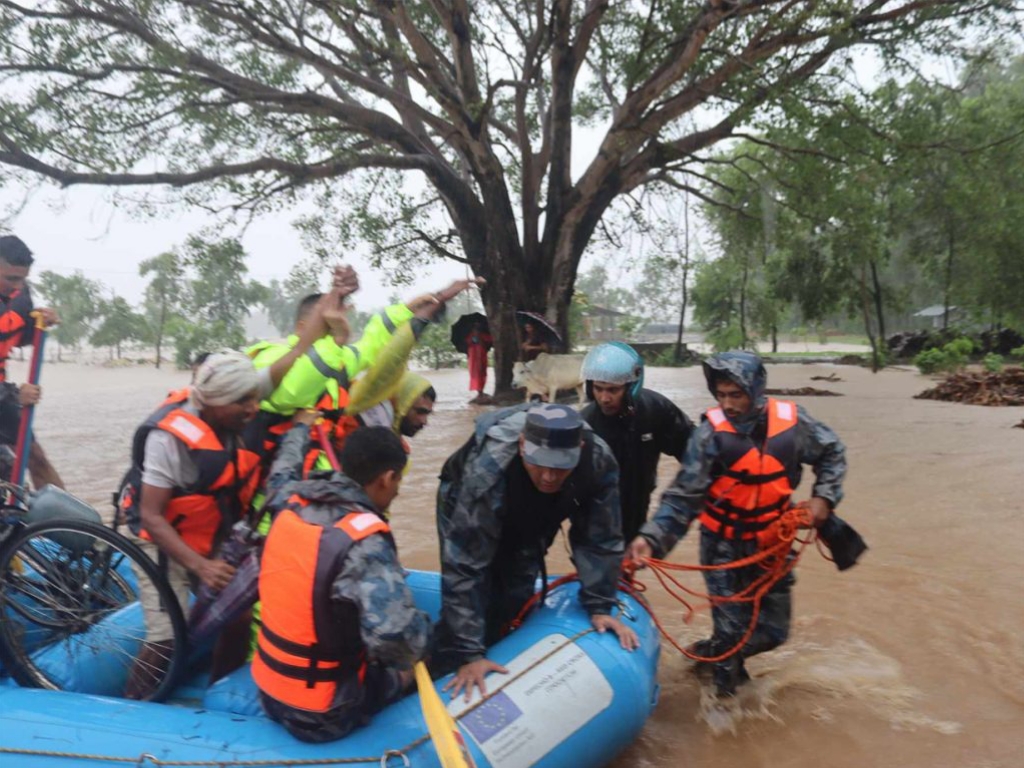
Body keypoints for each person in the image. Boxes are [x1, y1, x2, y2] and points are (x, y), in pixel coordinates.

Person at [120, 298, 332, 699]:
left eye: (255, 398)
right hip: (158, 538)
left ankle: (219, 694)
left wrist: (332, 300)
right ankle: (133, 705)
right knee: (168, 634)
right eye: (244, 403)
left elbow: (298, 349)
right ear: (214, 402)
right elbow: (151, 516)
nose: (254, 409)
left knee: (238, 617)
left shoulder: (236, 395)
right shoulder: (170, 439)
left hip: (205, 529)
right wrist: (201, 566)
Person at [627, 350, 847, 698]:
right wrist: (651, 539)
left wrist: (824, 497)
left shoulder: (794, 423)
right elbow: (683, 498)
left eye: (736, 395)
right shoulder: (708, 436)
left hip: (772, 544)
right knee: (732, 636)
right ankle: (724, 712)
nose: (728, 404)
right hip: (722, 548)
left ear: (756, 390)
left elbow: (832, 452)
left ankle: (703, 658)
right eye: (722, 395)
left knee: (774, 633)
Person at [434, 403, 639, 700]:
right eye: (539, 463)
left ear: (579, 449)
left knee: (517, 589)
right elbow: (465, 566)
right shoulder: (489, 468)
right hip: (465, 500)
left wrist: (599, 605)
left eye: (559, 466)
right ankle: (443, 665)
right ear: (521, 445)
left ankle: (504, 648)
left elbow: (601, 538)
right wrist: (469, 654)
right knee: (480, 586)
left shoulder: (597, 460)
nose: (548, 476)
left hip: (535, 507)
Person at [253, 426, 431, 743]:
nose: (397, 491)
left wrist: (298, 429)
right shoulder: (365, 543)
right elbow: (397, 641)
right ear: (387, 478)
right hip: (323, 714)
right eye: (399, 481)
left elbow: (282, 469)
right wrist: (424, 632)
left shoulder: (289, 501)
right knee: (426, 648)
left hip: (269, 692)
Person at [580, 342, 694, 542]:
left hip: (637, 510)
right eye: (598, 389)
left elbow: (695, 452)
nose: (604, 398)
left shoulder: (656, 410)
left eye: (613, 390)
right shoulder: (584, 426)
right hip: (595, 521)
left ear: (631, 387)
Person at [0, 234, 63, 489]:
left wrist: (39, 324)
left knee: (35, 457)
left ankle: (72, 525)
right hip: (5, 393)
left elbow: (17, 336)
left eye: (22, 278)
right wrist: (15, 394)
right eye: (11, 279)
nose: (17, 285)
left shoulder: (20, 293)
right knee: (7, 473)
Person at [465, 321, 492, 399]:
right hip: (473, 358)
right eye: (475, 328)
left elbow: (490, 340)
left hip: (482, 356)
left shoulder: (483, 336)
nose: (476, 330)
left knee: (482, 373)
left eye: (478, 328)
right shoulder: (470, 337)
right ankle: (479, 391)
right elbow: (468, 343)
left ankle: (481, 391)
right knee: (475, 374)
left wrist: (481, 340)